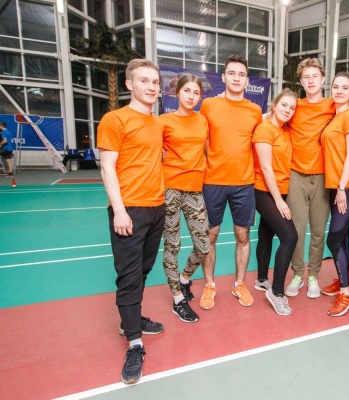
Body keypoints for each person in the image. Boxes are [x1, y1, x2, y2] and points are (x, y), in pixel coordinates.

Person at [97, 58, 166, 384]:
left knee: (142, 271)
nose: (151, 87)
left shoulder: (157, 123)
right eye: (144, 81)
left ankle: (131, 321)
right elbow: (107, 167)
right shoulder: (115, 119)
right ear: (129, 84)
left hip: (156, 208)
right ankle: (135, 343)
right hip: (130, 210)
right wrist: (120, 210)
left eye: (155, 82)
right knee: (129, 276)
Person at [199, 54, 262, 309]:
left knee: (242, 235)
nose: (236, 78)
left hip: (244, 183)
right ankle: (210, 285)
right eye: (232, 73)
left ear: (247, 80)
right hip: (213, 181)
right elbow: (203, 140)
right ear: (223, 77)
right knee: (210, 235)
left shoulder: (255, 111)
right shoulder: (209, 105)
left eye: (241, 74)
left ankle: (239, 284)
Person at [159, 73, 209, 323]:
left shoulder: (203, 121)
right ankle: (178, 299)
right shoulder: (163, 121)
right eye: (187, 91)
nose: (191, 96)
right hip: (169, 188)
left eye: (196, 92)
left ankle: (184, 278)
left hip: (194, 188)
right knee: (173, 246)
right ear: (177, 92)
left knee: (203, 246)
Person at [284, 58, 335, 299]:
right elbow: (269, 116)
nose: (311, 80)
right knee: (296, 231)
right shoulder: (295, 106)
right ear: (301, 81)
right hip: (296, 175)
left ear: (323, 79)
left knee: (318, 232)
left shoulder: (333, 105)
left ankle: (313, 275)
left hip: (323, 178)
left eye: (315, 76)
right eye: (306, 77)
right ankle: (297, 274)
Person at [320, 71, 349, 317]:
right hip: (335, 186)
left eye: (345, 88)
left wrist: (342, 188)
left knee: (334, 240)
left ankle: (348, 293)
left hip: (348, 187)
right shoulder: (334, 118)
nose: (339, 91)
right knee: (344, 238)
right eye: (336, 86)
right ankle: (342, 279)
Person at [253, 89, 299, 316]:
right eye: (284, 105)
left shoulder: (286, 130)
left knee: (266, 233)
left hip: (282, 189)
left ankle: (262, 279)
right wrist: (279, 201)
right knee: (290, 237)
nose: (288, 110)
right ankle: (277, 292)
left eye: (292, 108)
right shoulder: (264, 129)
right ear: (275, 104)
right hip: (264, 191)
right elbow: (266, 167)